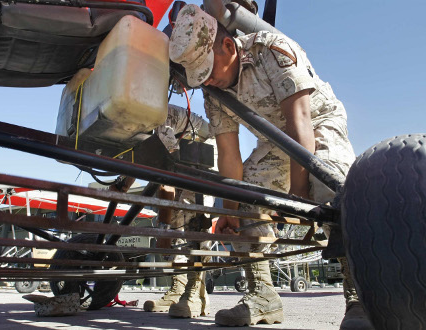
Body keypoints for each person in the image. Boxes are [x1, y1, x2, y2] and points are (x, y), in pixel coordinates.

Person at [169, 4, 372, 329]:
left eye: (208, 69)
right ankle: (263, 296)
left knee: (334, 187)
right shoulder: (213, 90)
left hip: (317, 122)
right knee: (244, 200)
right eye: (200, 76)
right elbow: (229, 156)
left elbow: (300, 121)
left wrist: (298, 195)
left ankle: (359, 299)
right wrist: (231, 210)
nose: (207, 79)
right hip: (274, 139)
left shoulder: (272, 50)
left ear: (227, 46)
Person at [110, 104, 216, 318]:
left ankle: (196, 294)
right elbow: (139, 161)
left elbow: (165, 181)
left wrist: (163, 230)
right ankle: (178, 288)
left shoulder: (156, 118)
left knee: (191, 218)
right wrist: (122, 185)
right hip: (180, 156)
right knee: (176, 220)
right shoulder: (134, 127)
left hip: (203, 154)